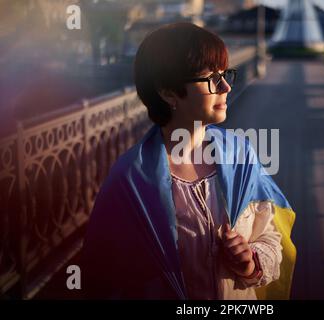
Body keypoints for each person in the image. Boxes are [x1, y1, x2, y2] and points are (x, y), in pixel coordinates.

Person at [82, 22, 296, 300]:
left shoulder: (241, 156)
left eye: (225, 74)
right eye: (212, 78)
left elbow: (271, 237)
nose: (226, 86)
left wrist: (251, 262)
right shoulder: (130, 181)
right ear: (168, 92)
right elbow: (106, 276)